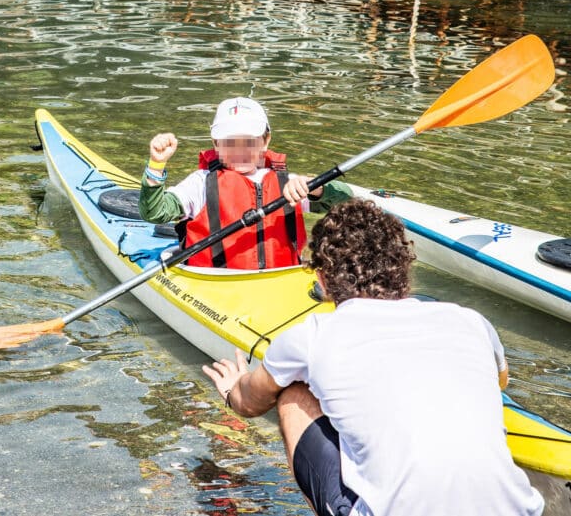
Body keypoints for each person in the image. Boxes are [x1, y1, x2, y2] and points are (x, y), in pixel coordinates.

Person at [202, 198, 545, 516]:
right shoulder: (471, 320)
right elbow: (499, 383)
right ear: (403, 268)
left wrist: (233, 389)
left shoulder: (311, 336)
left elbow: (250, 402)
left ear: (322, 278)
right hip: (519, 511)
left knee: (294, 392)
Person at [139, 97, 351, 270]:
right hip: (217, 284)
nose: (239, 151)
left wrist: (316, 188)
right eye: (230, 143)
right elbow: (155, 213)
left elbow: (348, 204)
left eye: (248, 142)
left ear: (265, 141)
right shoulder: (200, 184)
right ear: (216, 144)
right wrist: (157, 165)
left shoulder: (287, 183)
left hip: (281, 281)